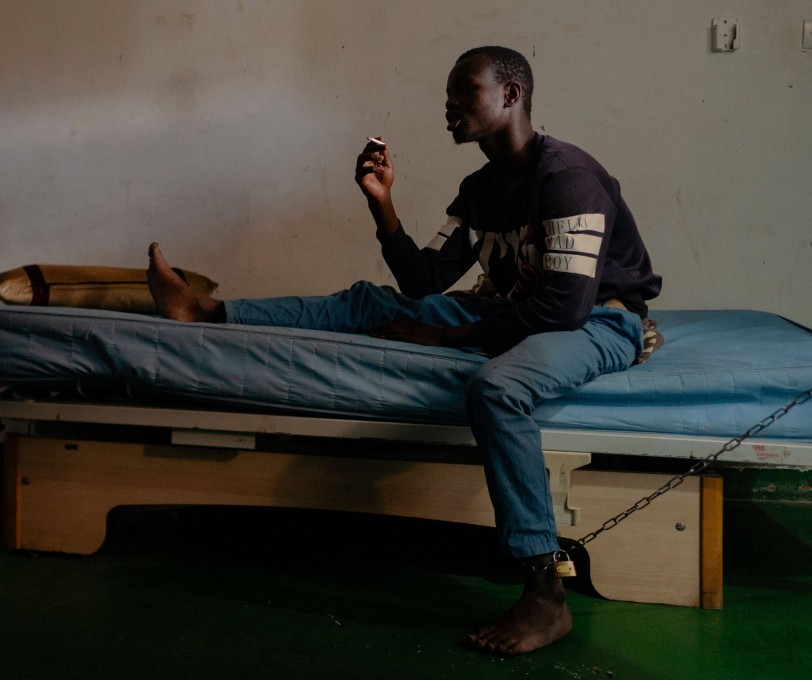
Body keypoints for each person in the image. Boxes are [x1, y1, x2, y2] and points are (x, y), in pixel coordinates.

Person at [147, 45, 662, 655]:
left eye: (464, 90)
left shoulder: (568, 179)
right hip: (511, 310)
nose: (449, 104)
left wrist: (448, 337)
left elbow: (564, 309)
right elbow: (424, 280)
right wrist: (382, 203)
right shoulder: (480, 188)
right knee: (370, 302)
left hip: (598, 322)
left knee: (498, 388)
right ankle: (208, 312)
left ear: (511, 95)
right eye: (447, 93)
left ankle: (545, 593)